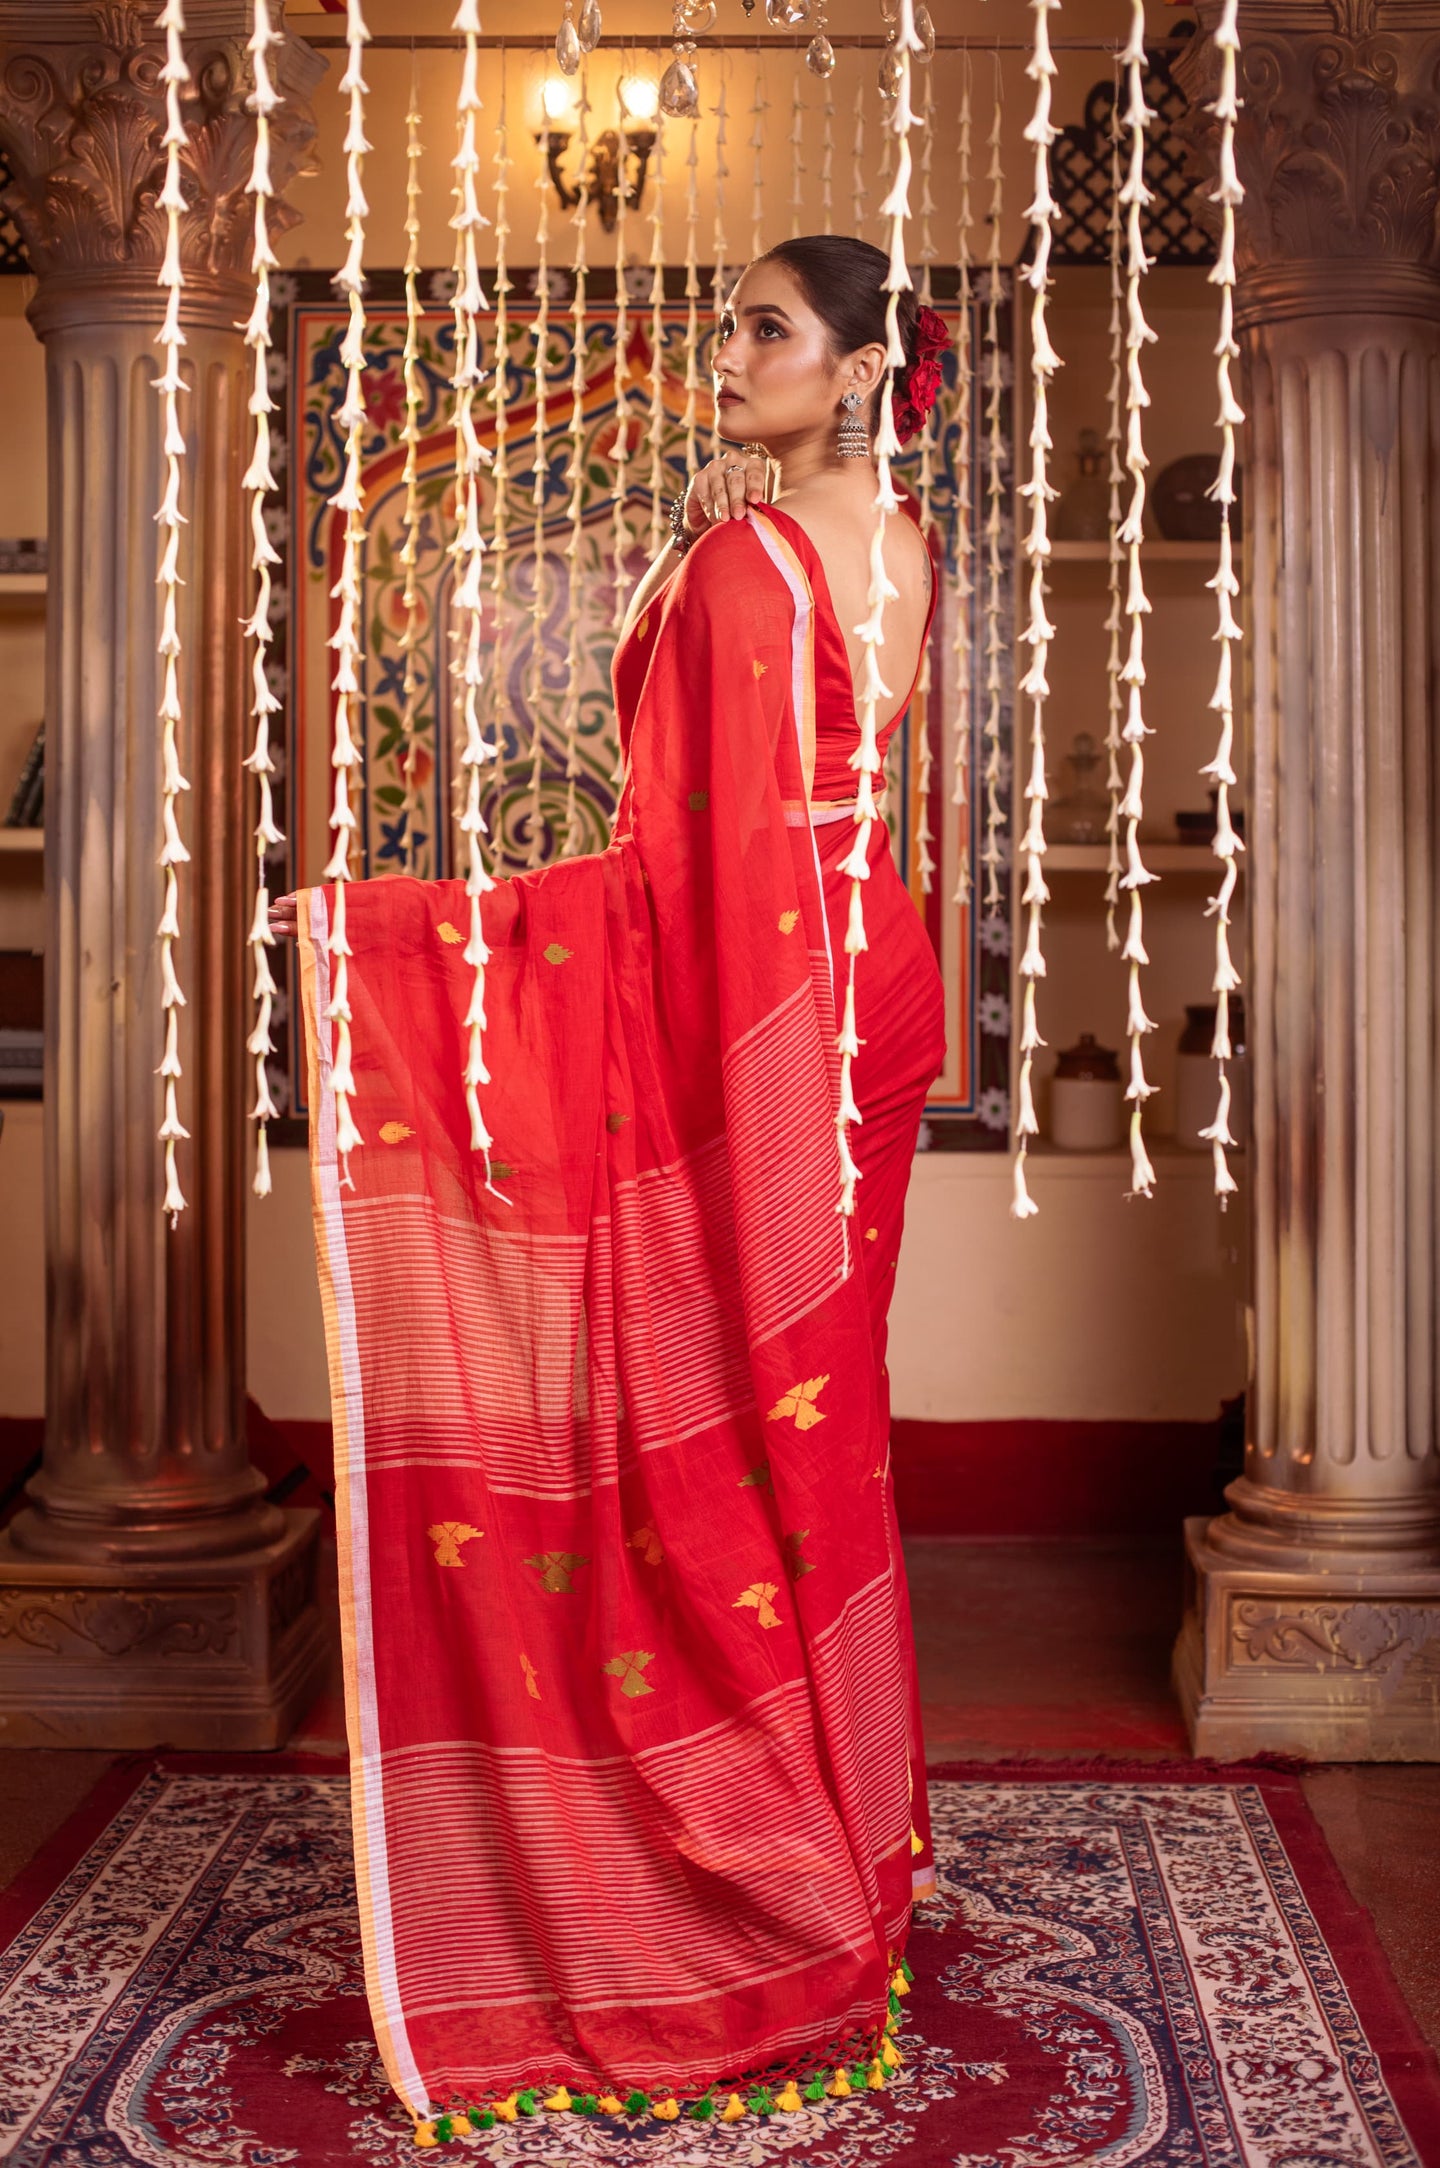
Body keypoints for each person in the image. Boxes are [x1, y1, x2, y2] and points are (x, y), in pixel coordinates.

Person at [270, 233, 950, 2142]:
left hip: (772, 1011)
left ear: (860, 366)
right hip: (868, 989)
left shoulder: (745, 561)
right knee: (808, 1419)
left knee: (719, 1425)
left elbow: (684, 874)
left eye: (765, 329)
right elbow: (798, 822)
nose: (724, 354)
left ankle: (744, 1895)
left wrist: (405, 943)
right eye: (726, 324)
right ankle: (841, 1841)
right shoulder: (904, 548)